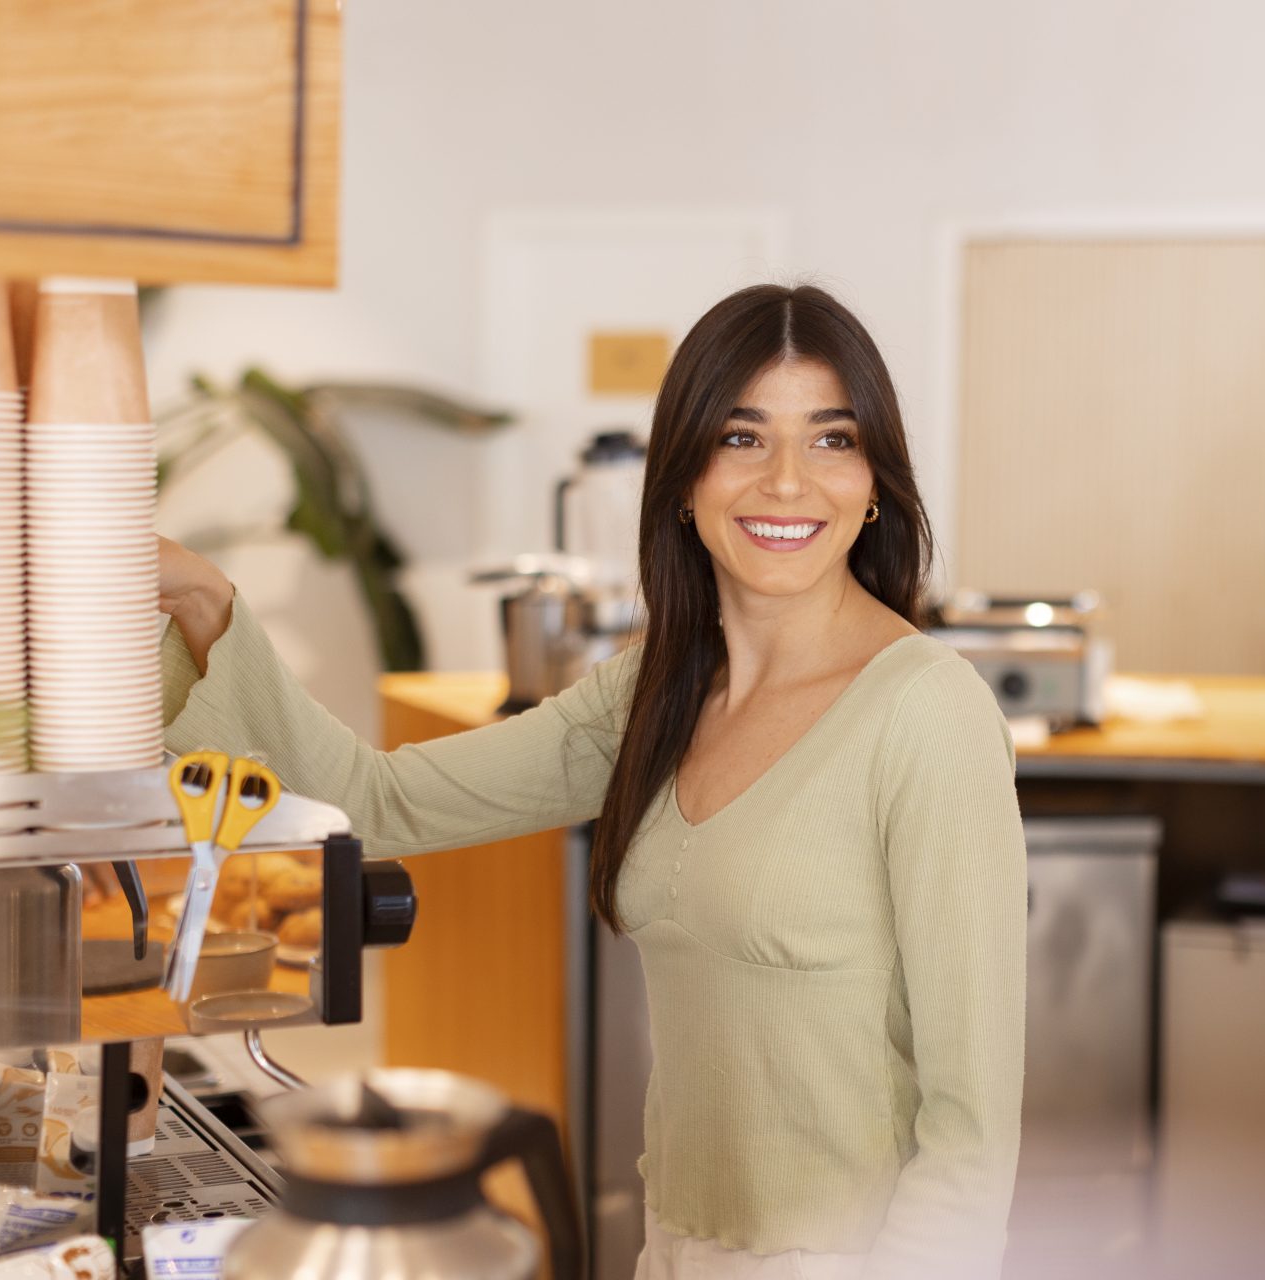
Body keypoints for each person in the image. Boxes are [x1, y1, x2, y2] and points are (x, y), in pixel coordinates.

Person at [157, 283, 1027, 1277]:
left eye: (832, 439)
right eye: (742, 438)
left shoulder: (927, 712)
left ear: (874, 483)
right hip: (673, 1245)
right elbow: (380, 801)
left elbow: (972, 1136)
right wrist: (206, 600)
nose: (787, 480)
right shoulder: (653, 694)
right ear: (685, 478)